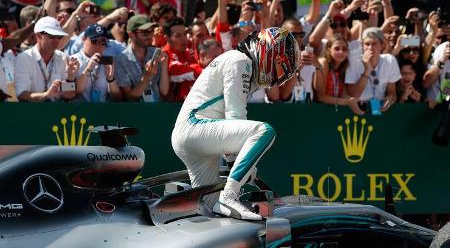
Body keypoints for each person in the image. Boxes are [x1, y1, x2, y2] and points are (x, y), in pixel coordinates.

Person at [171, 27, 300, 220]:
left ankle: (222, 202)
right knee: (264, 131)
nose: (276, 75)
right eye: (279, 65)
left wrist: (236, 162)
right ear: (268, 52)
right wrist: (240, 163)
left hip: (191, 135)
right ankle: (229, 195)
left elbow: (230, 124)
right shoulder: (240, 61)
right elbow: (235, 115)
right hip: (195, 128)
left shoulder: (238, 61)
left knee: (210, 211)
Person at [14, 16, 79, 102]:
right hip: (31, 112)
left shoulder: (64, 58)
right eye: (52, 36)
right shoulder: (24, 58)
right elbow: (22, 95)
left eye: (59, 36)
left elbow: (70, 95)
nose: (56, 40)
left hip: (57, 111)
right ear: (38, 36)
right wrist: (46, 95)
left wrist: (70, 78)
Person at [115, 15, 169, 102]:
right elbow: (129, 97)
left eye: (151, 31)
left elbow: (164, 91)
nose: (150, 35)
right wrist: (147, 77)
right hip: (135, 112)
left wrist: (164, 65)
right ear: (131, 34)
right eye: (145, 32)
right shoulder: (121, 59)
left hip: (156, 108)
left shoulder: (156, 53)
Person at [345, 27, 401, 112]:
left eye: (374, 43)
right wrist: (367, 70)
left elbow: (392, 92)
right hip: (357, 109)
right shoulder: (353, 62)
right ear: (362, 46)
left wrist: (390, 99)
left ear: (382, 46)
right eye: (367, 44)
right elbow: (353, 94)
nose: (370, 48)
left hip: (377, 108)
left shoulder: (390, 60)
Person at [313, 34, 364, 113]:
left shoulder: (345, 65)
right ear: (329, 49)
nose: (341, 52)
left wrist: (352, 100)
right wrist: (347, 102)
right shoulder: (324, 62)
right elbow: (320, 96)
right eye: (337, 49)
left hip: (333, 110)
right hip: (317, 110)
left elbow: (343, 94)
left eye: (344, 49)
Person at [73, 24, 122, 102]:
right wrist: (87, 70)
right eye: (94, 41)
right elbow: (71, 95)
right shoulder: (73, 60)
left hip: (103, 111)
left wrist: (111, 79)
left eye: (103, 42)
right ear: (83, 39)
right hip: (80, 111)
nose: (98, 45)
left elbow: (118, 99)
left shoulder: (108, 61)